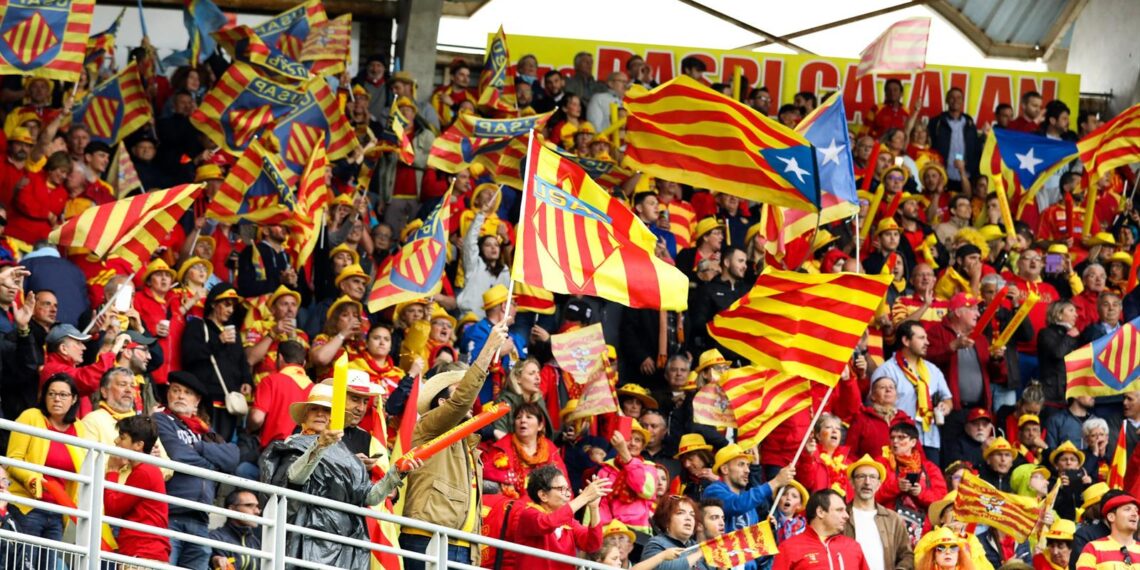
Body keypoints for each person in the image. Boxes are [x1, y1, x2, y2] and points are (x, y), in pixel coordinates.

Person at [260, 383, 420, 569]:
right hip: (304, 536)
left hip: (344, 544)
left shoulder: (347, 454)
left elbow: (369, 496)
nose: (321, 414)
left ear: (334, 417)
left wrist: (396, 473)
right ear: (305, 416)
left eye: (327, 410)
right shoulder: (293, 444)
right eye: (314, 409)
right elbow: (294, 478)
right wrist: (319, 446)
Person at [399, 322, 508, 569]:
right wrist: (489, 348)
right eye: (458, 390)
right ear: (442, 403)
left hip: (463, 545)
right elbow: (461, 402)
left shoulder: (468, 443)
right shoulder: (430, 426)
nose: (469, 400)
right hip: (428, 536)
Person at [154, 371, 239, 570]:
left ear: (197, 401)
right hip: (170, 513)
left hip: (201, 520)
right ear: (168, 394)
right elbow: (178, 454)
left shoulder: (205, 431)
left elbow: (232, 457)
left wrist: (199, 447)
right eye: (176, 390)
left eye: (187, 393)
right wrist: (214, 467)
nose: (180, 396)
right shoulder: (160, 420)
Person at [5, 374, 90, 557]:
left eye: (63, 395)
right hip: (27, 506)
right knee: (23, 563)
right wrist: (32, 479)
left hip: (58, 511)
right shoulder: (31, 416)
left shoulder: (80, 428)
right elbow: (13, 459)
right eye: (51, 394)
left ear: (74, 399)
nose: (56, 399)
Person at [871, 321, 953, 463]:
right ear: (906, 341)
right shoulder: (886, 370)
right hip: (899, 441)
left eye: (926, 338)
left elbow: (948, 399)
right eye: (921, 338)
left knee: (929, 477)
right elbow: (874, 405)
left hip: (930, 439)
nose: (927, 342)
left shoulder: (932, 370)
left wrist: (945, 406)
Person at [180, 284, 253, 443]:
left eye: (233, 306)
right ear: (213, 303)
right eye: (226, 304)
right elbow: (189, 356)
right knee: (202, 442)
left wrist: (247, 380)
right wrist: (218, 341)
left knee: (223, 444)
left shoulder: (234, 332)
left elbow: (242, 360)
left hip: (229, 402)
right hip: (204, 400)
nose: (230, 310)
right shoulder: (197, 326)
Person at [704, 443, 794, 569]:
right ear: (725, 469)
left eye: (748, 465)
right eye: (741, 464)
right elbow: (736, 505)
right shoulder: (713, 491)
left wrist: (767, 532)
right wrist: (775, 482)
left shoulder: (748, 502)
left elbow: (757, 552)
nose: (747, 470)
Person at [506, 464, 612, 570]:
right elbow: (548, 523)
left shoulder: (569, 521)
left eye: (568, 489)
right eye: (561, 489)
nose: (568, 495)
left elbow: (592, 545)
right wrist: (584, 497)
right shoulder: (528, 514)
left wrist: (593, 508)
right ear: (543, 495)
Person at [104, 415, 169, 563]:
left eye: (122, 437)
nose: (116, 441)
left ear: (138, 445)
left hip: (142, 553)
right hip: (145, 552)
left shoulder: (144, 471)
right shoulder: (147, 469)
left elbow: (112, 508)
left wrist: (112, 471)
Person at [843, 454, 915, 570]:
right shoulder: (841, 516)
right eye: (861, 476)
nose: (867, 482)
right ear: (852, 482)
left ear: (879, 484)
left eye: (872, 477)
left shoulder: (892, 519)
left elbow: (906, 555)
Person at [483, 401, 568, 498]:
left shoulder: (550, 449)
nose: (523, 420)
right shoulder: (502, 447)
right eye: (518, 417)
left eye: (529, 417)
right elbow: (489, 479)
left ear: (540, 426)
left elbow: (563, 485)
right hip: (511, 503)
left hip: (545, 502)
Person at [774, 489, 870, 570]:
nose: (846, 516)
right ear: (820, 512)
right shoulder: (788, 548)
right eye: (839, 510)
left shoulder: (853, 546)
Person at [248, 340, 312, 450]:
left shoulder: (270, 381)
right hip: (301, 452)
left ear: (280, 358)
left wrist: (248, 428)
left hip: (272, 451)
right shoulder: (314, 388)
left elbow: (256, 419)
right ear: (304, 363)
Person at [1074, 494, 1140, 570]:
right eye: (1127, 509)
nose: (1135, 514)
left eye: (1136, 511)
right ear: (1111, 517)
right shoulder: (1093, 548)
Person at [210, 490, 263, 570]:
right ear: (232, 509)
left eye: (257, 506)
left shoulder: (255, 542)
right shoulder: (216, 538)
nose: (257, 511)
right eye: (249, 505)